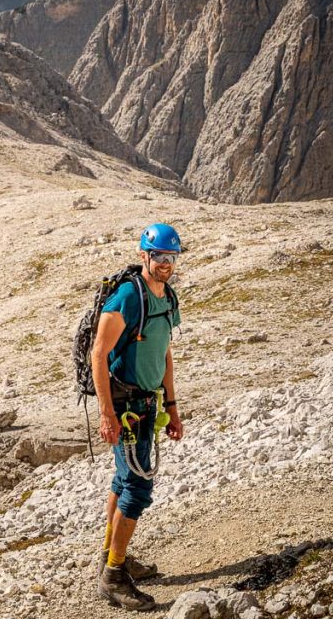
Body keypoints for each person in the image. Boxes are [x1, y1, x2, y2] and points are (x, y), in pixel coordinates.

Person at [91, 223, 184, 611]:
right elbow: (98, 353)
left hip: (148, 405)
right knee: (137, 487)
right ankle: (113, 575)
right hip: (126, 408)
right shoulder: (129, 297)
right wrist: (107, 414)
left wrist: (172, 406)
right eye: (159, 257)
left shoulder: (167, 298)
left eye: (171, 258)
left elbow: (163, 352)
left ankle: (112, 557)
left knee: (123, 479)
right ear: (144, 255)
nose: (165, 264)